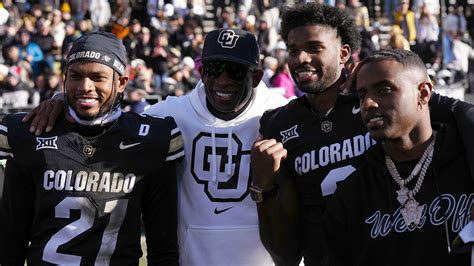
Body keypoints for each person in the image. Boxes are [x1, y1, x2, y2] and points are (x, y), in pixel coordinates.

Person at [21, 28, 288, 265]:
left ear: (255, 77)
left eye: (236, 71)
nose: (223, 80)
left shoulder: (281, 114)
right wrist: (61, 99)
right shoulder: (170, 115)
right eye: (214, 68)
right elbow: (108, 115)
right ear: (201, 71)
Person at [250, 3, 474, 265]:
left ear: (344, 53)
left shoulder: (378, 103)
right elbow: (285, 254)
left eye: (314, 48)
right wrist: (263, 188)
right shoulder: (277, 124)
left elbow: (448, 109)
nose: (300, 59)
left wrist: (380, 76)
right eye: (293, 50)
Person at [0, 32, 183, 265]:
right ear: (65, 78)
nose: (85, 86)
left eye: (98, 77)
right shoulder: (31, 132)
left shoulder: (152, 139)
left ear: (121, 83)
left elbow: (163, 247)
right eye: (76, 76)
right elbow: (10, 240)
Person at [324, 49, 474, 266]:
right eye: (362, 94)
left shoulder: (465, 161)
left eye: (384, 90)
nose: (368, 104)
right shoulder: (353, 193)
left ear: (423, 94)